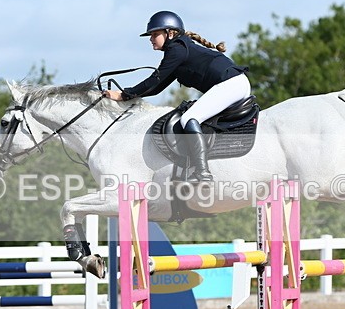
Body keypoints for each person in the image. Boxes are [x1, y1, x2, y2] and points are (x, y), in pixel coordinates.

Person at [103, 11, 250, 182]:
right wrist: (129, 95)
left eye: (155, 34)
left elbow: (153, 81)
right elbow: (157, 87)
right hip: (235, 84)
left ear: (170, 33)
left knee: (189, 118)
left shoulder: (177, 49)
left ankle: (203, 173)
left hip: (231, 85)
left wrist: (123, 95)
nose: (151, 39)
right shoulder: (179, 50)